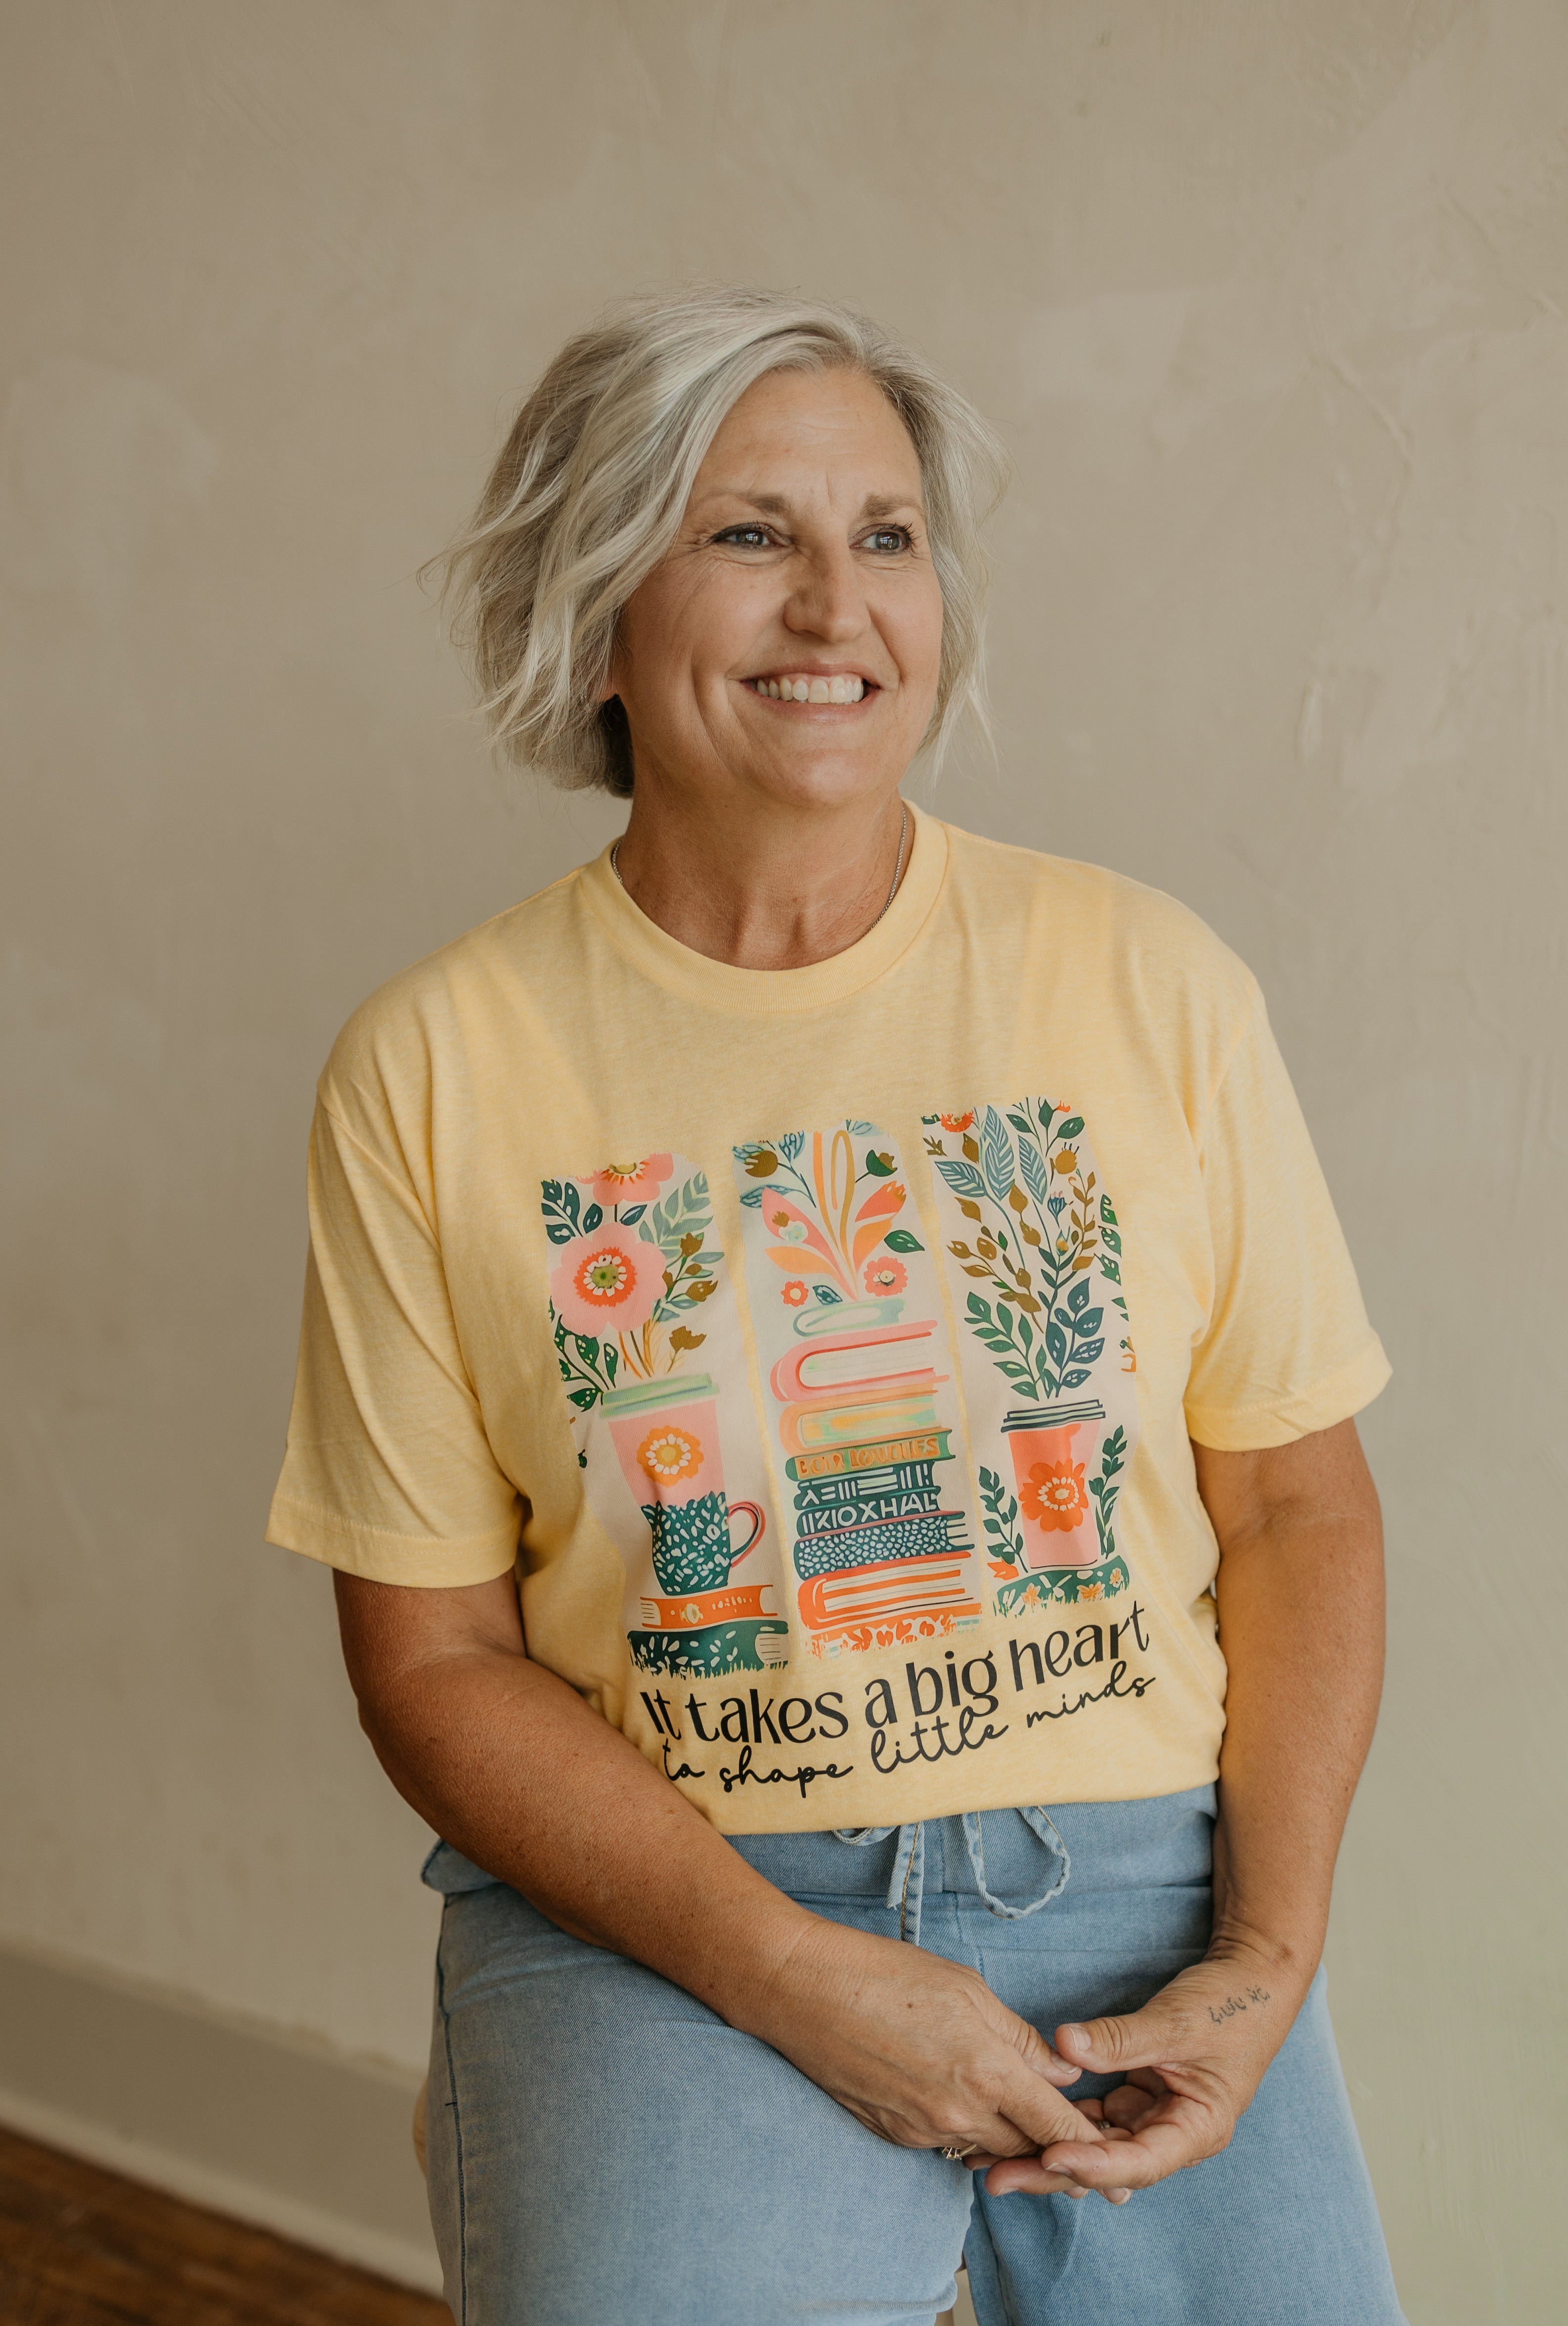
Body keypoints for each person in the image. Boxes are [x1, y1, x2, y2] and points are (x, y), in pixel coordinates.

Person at [267, 287, 1406, 2326]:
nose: (835, 605)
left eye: (884, 534)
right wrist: (791, 1975)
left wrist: (1264, 1954)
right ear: (594, 612)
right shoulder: (434, 1065)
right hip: (670, 1912)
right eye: (746, 533)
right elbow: (432, 1660)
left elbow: (1295, 1507)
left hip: (1145, 1888)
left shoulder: (1147, 981)